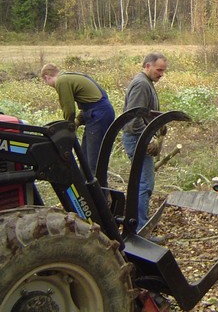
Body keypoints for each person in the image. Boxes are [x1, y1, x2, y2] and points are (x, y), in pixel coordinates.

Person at [40, 63, 115, 185]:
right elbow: (89, 103)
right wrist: (77, 122)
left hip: (99, 115)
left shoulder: (61, 81)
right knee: (85, 158)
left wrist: (67, 129)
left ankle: (100, 197)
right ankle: (85, 190)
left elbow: (69, 109)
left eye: (46, 82)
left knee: (93, 161)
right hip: (99, 113)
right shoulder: (70, 77)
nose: (48, 85)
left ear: (47, 77)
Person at [122, 52, 167, 233]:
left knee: (141, 183)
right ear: (147, 66)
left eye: (163, 71)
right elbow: (133, 120)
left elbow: (146, 113)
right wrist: (148, 139)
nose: (161, 74)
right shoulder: (141, 84)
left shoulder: (146, 82)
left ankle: (138, 225)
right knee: (144, 185)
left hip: (139, 138)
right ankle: (140, 230)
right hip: (136, 140)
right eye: (158, 70)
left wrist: (159, 126)